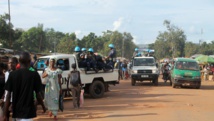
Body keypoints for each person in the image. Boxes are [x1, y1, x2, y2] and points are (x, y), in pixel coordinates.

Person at [3, 52, 46, 121]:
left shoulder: (12, 75)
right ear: (29, 61)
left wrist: (5, 114)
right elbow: (38, 94)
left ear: (19, 62)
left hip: (16, 111)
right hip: (28, 111)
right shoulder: (34, 75)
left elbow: (8, 95)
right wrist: (43, 106)